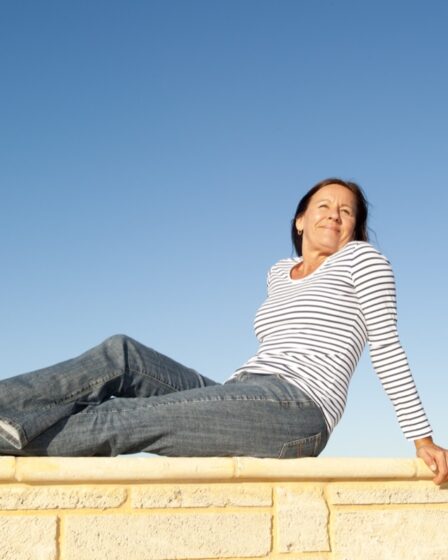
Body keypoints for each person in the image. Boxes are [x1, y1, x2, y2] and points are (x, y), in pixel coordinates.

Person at [0, 178, 447, 485]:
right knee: (122, 354)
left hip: (297, 409)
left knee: (125, 418)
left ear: (354, 228)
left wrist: (421, 436)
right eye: (324, 206)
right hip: (247, 392)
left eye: (346, 211)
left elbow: (386, 345)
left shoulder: (364, 261)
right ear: (300, 220)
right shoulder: (278, 272)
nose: (334, 215)